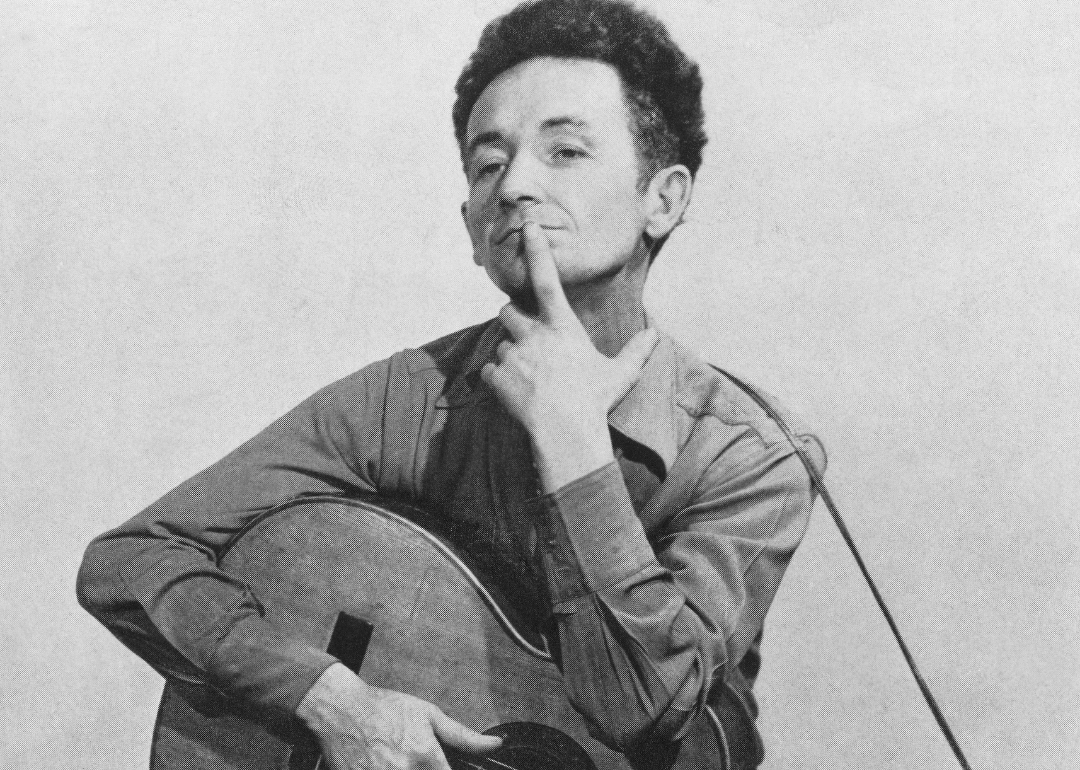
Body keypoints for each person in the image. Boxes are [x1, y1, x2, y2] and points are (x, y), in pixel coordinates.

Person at [77, 1, 825, 768]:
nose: (514, 188)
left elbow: (641, 709)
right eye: (488, 163)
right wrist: (332, 700)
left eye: (564, 151)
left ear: (662, 199)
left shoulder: (750, 457)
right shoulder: (414, 398)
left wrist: (574, 447)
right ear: (470, 226)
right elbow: (129, 561)